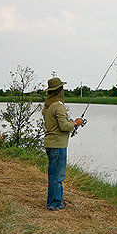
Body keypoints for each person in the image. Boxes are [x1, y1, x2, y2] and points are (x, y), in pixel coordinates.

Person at [42, 77, 84, 210]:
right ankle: (54, 204)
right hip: (58, 146)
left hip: (50, 144)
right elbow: (64, 126)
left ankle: (56, 201)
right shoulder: (58, 106)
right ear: (60, 90)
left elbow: (56, 123)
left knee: (54, 174)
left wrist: (70, 123)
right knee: (58, 176)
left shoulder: (47, 106)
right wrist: (75, 123)